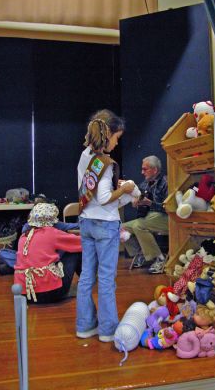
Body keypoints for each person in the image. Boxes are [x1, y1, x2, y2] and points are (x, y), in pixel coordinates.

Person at [76, 109, 135, 342]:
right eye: (117, 138)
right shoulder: (106, 163)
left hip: (86, 221)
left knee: (87, 277)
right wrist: (125, 189)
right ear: (108, 133)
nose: (117, 142)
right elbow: (103, 198)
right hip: (105, 224)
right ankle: (108, 330)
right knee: (107, 278)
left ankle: (85, 326)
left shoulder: (85, 156)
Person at [14, 203, 82, 303]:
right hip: (49, 293)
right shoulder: (51, 232)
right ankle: (87, 281)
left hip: (25, 294)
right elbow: (81, 243)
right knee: (74, 251)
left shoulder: (24, 236)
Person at [122, 155, 168, 274]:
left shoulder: (166, 183)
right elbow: (139, 202)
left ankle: (159, 258)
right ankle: (141, 252)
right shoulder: (144, 185)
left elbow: (168, 208)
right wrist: (136, 202)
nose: (142, 172)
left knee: (138, 225)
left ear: (155, 170)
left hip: (166, 218)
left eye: (145, 169)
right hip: (149, 218)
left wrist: (150, 203)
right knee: (120, 228)